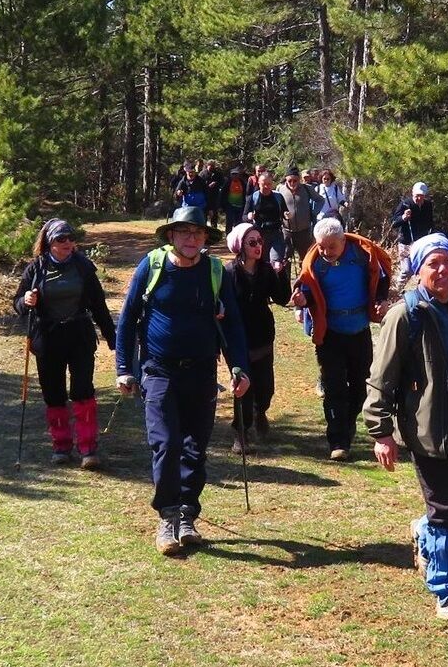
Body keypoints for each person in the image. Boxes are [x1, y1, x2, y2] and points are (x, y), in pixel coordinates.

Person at [364, 233, 448, 622]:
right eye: (432, 264)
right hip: (427, 430)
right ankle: (447, 590)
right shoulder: (405, 315)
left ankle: (424, 533)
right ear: (419, 269)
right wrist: (381, 432)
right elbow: (380, 379)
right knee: (446, 510)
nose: (442, 270)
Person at [115, 207, 251, 556]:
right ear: (171, 236)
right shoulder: (152, 265)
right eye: (184, 232)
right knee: (166, 443)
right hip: (159, 370)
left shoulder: (215, 271)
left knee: (194, 447)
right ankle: (167, 515)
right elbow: (128, 318)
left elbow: (233, 324)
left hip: (203, 371)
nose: (192, 239)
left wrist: (240, 367)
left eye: (198, 233)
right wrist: (123, 368)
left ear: (206, 238)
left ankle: (188, 514)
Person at [12, 219, 117, 470]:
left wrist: (113, 338)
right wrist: (25, 301)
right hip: (47, 337)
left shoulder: (83, 267)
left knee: (83, 389)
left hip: (78, 334)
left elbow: (99, 305)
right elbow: (17, 303)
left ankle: (88, 447)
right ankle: (61, 446)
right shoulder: (35, 269)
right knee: (53, 393)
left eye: (70, 238)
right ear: (49, 242)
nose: (68, 243)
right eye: (61, 239)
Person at [292, 218, 391, 460]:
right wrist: (304, 301)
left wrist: (381, 299)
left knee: (360, 387)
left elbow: (382, 276)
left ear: (343, 240)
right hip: (331, 332)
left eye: (331, 247)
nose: (325, 252)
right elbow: (308, 289)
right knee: (334, 387)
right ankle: (338, 441)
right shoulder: (315, 261)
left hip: (359, 330)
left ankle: (346, 424)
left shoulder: (361, 253)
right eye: (321, 246)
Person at [225, 222, 290, 453]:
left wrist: (282, 274)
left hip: (263, 337)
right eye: (252, 242)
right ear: (240, 246)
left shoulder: (266, 271)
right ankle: (240, 434)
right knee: (242, 386)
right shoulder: (229, 272)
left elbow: (282, 298)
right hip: (238, 339)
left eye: (260, 241)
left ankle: (260, 411)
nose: (258, 246)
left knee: (265, 389)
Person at [390, 182, 435, 289]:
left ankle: (422, 291)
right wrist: (404, 217)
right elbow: (393, 223)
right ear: (412, 193)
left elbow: (430, 222)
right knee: (407, 270)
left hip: (421, 242)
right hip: (406, 242)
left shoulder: (428, 205)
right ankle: (397, 290)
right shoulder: (405, 204)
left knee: (423, 268)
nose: (419, 198)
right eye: (417, 195)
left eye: (421, 196)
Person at [278, 167, 324, 267]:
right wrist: (282, 214)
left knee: (306, 259)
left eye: (295, 180)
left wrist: (314, 212)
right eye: (290, 180)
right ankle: (285, 282)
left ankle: (304, 281)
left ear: (299, 180)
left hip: (304, 231)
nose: (292, 183)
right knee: (285, 259)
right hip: (287, 231)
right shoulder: (280, 190)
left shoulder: (307, 189)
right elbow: (276, 206)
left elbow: (321, 200)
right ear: (286, 179)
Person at [244, 171, 287, 266]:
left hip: (276, 233)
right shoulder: (253, 198)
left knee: (276, 263)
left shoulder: (278, 197)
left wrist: (287, 215)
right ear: (259, 183)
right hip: (259, 235)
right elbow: (244, 216)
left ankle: (275, 279)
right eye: (264, 184)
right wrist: (249, 216)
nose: (267, 187)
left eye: (269, 184)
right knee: (262, 263)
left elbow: (285, 212)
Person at [221, 165, 249, 232]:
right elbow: (223, 194)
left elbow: (246, 193)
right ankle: (228, 235)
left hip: (240, 206)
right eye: (233, 174)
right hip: (230, 205)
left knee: (238, 222)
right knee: (229, 221)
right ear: (231, 175)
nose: (235, 176)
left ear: (239, 175)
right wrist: (222, 206)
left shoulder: (242, 183)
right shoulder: (227, 183)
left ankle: (237, 235)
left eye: (236, 174)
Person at [200, 159, 223, 229]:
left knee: (214, 217)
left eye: (213, 166)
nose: (211, 167)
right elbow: (199, 185)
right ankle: (203, 231)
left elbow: (222, 182)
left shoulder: (217, 173)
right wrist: (207, 186)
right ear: (207, 165)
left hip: (214, 198)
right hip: (204, 198)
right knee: (203, 217)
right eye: (210, 166)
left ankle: (214, 233)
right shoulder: (202, 174)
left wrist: (216, 183)